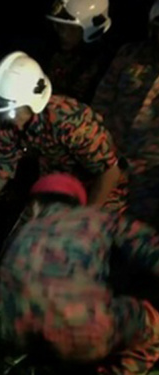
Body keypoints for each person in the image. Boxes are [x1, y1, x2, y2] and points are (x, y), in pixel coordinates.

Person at [0, 174, 159, 375]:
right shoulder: (99, 219)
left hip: (14, 335)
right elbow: (150, 247)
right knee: (152, 326)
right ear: (77, 203)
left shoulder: (25, 231)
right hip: (79, 335)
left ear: (35, 205)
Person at [0, 51, 125, 249]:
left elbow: (110, 173)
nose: (6, 120)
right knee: (21, 248)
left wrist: (83, 221)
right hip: (56, 189)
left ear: (32, 101)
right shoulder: (9, 125)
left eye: (10, 112)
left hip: (100, 194)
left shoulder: (70, 120)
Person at [93, 1, 159, 227]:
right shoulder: (130, 54)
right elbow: (103, 97)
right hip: (109, 155)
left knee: (132, 235)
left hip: (148, 173)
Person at [44, 0, 114, 103]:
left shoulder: (104, 65)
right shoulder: (56, 51)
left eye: (71, 29)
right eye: (59, 26)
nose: (62, 34)